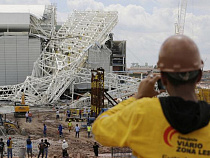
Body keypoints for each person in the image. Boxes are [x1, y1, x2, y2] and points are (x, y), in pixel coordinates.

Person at [92, 35, 210, 158]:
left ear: (163, 79)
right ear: (199, 76)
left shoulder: (142, 111)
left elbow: (100, 129)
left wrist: (138, 96)